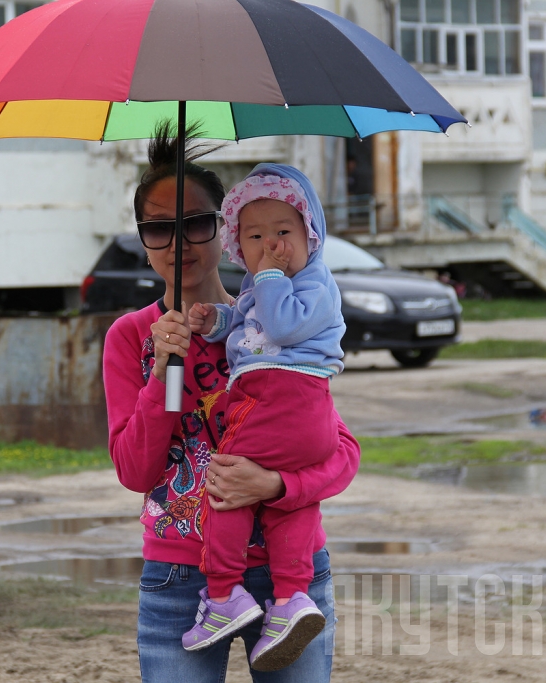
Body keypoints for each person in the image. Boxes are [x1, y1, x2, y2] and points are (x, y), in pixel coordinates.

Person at [102, 122, 360, 683]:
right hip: (180, 578)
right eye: (158, 229)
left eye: (195, 223)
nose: (179, 244)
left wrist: (277, 487)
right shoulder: (130, 337)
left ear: (228, 230)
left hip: (291, 576)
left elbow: (340, 454)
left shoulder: (273, 325)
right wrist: (165, 368)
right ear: (143, 240)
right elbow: (135, 469)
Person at [184, 164, 345, 671]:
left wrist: (271, 276)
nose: (270, 247)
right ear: (238, 245)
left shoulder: (313, 283)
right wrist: (217, 321)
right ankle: (293, 598)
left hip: (279, 396)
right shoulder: (263, 285)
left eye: (283, 233)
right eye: (255, 237)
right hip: (303, 414)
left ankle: (224, 591)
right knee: (291, 508)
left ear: (310, 235)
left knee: (228, 483)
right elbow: (251, 324)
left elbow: (279, 323)